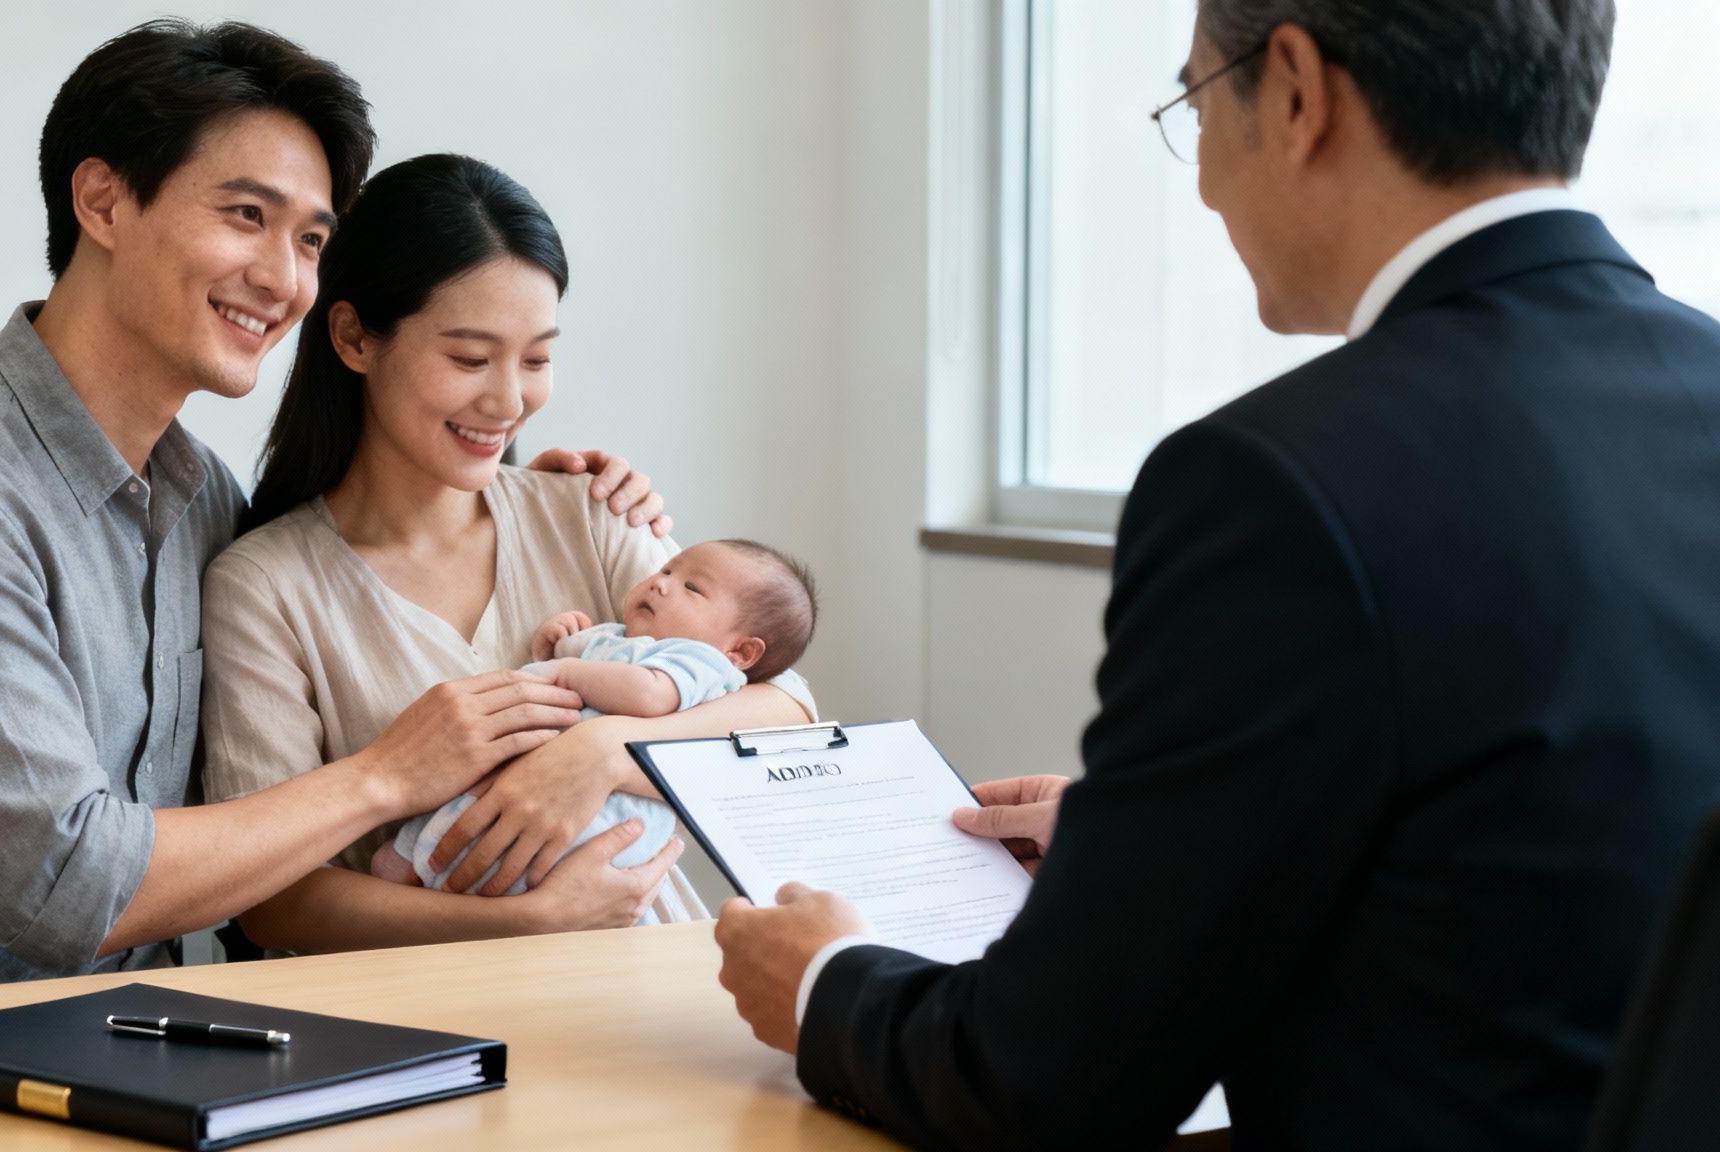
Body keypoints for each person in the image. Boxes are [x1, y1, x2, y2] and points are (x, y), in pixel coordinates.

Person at [715, 1, 1720, 1148]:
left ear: (1292, 88)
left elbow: (1046, 1082)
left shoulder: (1272, 482)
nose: (1197, 182)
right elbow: (1555, 836)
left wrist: (824, 984)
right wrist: (1148, 840)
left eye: (1192, 102)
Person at [0, 20, 665, 1006]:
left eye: (311, 240)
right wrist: (387, 776)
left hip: (114, 1030)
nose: (284, 279)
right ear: (103, 201)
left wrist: (533, 490)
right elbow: (66, 888)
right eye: (246, 215)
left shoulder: (203, 497)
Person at [199, 154, 819, 953]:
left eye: (536, 359)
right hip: (430, 1024)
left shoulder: (591, 514)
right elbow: (276, 901)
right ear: (353, 337)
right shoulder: (264, 588)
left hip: (666, 984)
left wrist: (600, 752)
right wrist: (526, 923)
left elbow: (787, 714)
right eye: (468, 358)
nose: (508, 401)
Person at [373, 538, 819, 900]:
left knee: (535, 851)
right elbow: (558, 663)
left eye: (693, 589)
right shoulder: (617, 635)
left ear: (739, 651)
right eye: (666, 570)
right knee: (417, 846)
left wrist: (568, 669)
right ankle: (419, 861)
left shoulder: (701, 663)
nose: (661, 584)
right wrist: (560, 640)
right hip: (527, 769)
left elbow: (649, 694)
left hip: (603, 807)